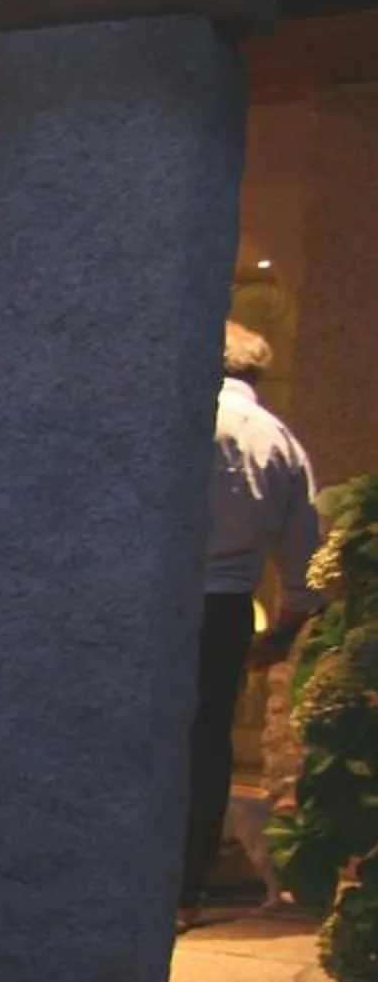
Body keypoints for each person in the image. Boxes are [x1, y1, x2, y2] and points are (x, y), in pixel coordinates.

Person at [184, 320, 320, 920]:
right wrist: (286, 626)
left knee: (142, 733)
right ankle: (187, 884)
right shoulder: (278, 440)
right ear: (255, 372)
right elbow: (304, 551)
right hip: (227, 607)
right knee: (208, 743)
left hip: (161, 602)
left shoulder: (184, 423)